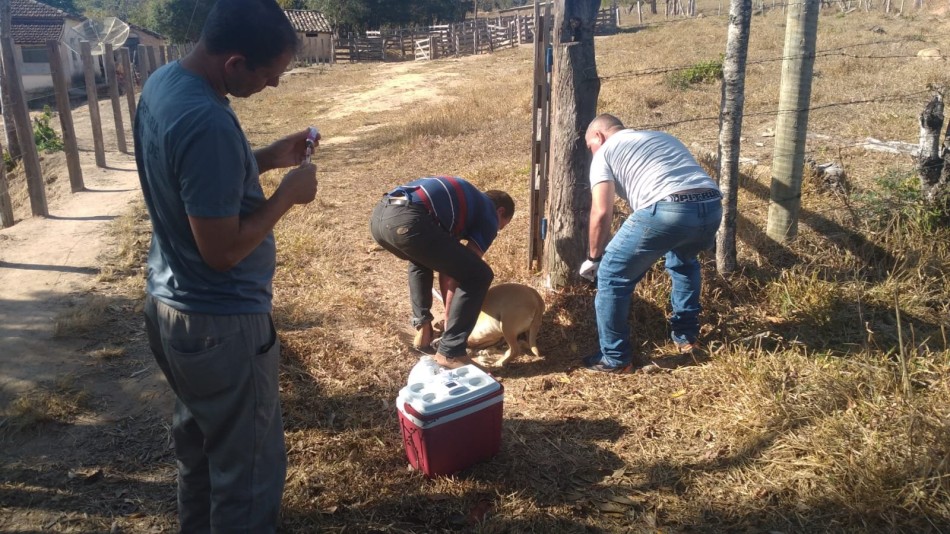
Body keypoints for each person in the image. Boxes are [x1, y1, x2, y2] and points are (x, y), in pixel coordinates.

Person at [134, 0, 318, 531]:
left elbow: (190, 176)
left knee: (200, 450)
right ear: (234, 63)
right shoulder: (208, 120)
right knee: (249, 474)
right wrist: (287, 194)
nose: (274, 86)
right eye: (268, 75)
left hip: (171, 308)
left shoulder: (165, 84)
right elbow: (222, 251)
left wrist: (263, 158)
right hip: (220, 325)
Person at [579, 114, 722, 373]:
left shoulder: (605, 152)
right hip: (711, 205)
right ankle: (687, 338)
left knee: (611, 276)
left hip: (668, 208)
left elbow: (601, 212)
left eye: (590, 146)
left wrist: (594, 257)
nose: (592, 152)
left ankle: (615, 359)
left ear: (598, 136)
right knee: (684, 263)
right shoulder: (661, 137)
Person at [370, 176, 515, 369]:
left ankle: (424, 330)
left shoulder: (463, 203)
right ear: (501, 211)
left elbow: (449, 264)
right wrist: (450, 320)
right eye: (501, 225)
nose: (496, 230)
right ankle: (451, 351)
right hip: (409, 220)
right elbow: (460, 272)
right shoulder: (489, 212)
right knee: (479, 275)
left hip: (380, 218)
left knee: (421, 259)